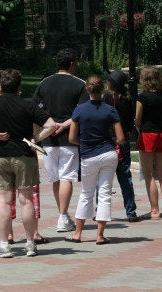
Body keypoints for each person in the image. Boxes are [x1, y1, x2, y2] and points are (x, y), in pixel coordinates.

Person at [0, 68, 57, 258]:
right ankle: (30, 243)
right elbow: (51, 125)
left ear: (1, 84)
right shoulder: (29, 105)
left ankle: (4, 245)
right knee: (26, 200)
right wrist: (35, 139)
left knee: (4, 201)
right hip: (24, 155)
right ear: (19, 86)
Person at [32, 48, 89, 233]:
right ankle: (63, 216)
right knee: (67, 177)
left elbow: (35, 111)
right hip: (69, 138)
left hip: (48, 138)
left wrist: (47, 128)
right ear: (72, 64)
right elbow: (82, 111)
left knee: (56, 179)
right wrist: (63, 125)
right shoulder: (80, 84)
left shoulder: (44, 83)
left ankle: (62, 214)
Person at [65, 75, 124, 244]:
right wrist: (110, 143)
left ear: (87, 89)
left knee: (86, 193)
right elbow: (120, 138)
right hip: (108, 154)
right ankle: (100, 235)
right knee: (105, 193)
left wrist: (83, 142)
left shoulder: (79, 110)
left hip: (88, 155)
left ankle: (77, 233)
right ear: (102, 89)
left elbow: (71, 138)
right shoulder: (110, 110)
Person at [135, 67, 162, 220]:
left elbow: (137, 118)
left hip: (147, 134)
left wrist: (138, 130)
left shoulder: (142, 97)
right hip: (161, 133)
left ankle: (155, 210)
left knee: (149, 174)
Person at [103, 70, 139, 222]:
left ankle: (102, 210)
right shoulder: (128, 99)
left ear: (111, 83)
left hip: (107, 141)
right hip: (123, 140)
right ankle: (131, 212)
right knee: (125, 177)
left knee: (104, 178)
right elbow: (131, 122)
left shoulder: (106, 98)